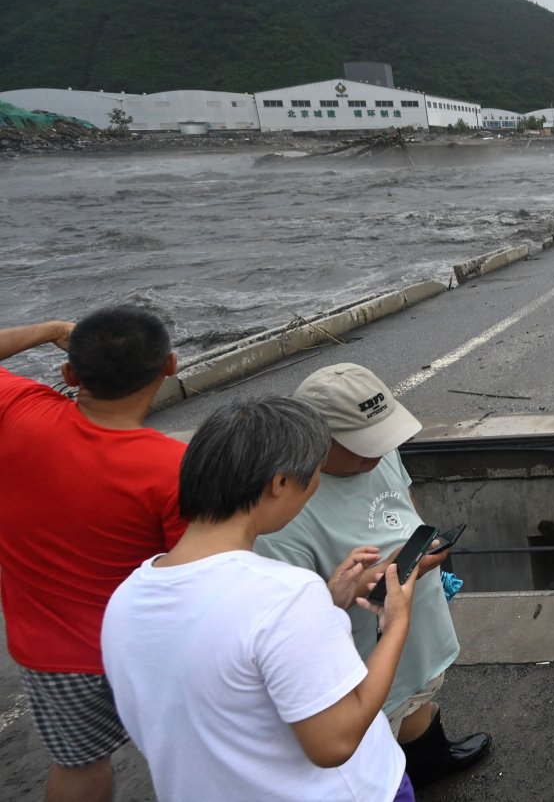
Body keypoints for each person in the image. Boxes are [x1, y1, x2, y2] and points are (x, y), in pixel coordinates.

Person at [101, 397, 416, 802]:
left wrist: (327, 603)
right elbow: (335, 743)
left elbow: (226, 680)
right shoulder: (285, 595)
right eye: (314, 473)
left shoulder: (126, 600)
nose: (315, 486)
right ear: (280, 483)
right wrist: (395, 626)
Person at [255, 363, 491, 786]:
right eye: (361, 445)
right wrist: (376, 578)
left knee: (419, 687)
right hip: (361, 642)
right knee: (379, 717)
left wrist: (420, 546)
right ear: (312, 437)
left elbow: (401, 500)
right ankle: (401, 774)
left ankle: (430, 758)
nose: (377, 453)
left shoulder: (376, 456)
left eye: (381, 439)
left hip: (414, 609)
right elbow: (290, 622)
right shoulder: (283, 512)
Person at [0, 309, 185, 802]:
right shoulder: (171, 467)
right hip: (146, 648)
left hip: (52, 656)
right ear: (170, 365)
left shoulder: (18, 412)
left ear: (69, 374)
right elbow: (195, 567)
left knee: (79, 765)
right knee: (183, 750)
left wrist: (50, 329)